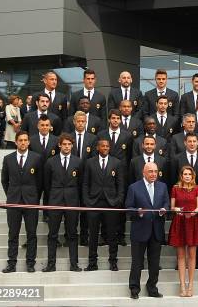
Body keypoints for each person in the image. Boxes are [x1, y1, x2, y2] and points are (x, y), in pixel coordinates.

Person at [0, 131, 43, 273]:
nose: (23, 142)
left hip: (31, 201)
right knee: (13, 234)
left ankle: (30, 263)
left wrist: (34, 197)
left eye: (25, 140)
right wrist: (11, 195)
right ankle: (11, 263)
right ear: (16, 142)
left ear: (29, 142)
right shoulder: (8, 159)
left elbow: (40, 181)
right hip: (13, 202)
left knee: (31, 233)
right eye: (20, 140)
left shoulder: (36, 158)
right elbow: (4, 180)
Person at [126, 162, 169, 299]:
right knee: (137, 262)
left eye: (156, 171)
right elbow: (128, 208)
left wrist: (164, 210)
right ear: (144, 172)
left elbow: (166, 203)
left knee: (154, 263)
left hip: (156, 230)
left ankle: (152, 288)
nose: (154, 174)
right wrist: (137, 212)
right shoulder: (134, 187)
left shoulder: (162, 186)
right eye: (150, 171)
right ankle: (134, 288)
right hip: (140, 230)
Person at [170, 132, 198, 270]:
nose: (192, 143)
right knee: (182, 234)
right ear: (185, 143)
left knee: (197, 233)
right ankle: (180, 262)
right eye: (189, 141)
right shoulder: (176, 158)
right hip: (181, 199)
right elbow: (172, 178)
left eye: (194, 141)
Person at [82, 139, 124, 272]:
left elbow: (121, 184)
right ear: (97, 147)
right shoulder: (89, 162)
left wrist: (118, 200)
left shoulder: (116, 162)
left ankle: (113, 261)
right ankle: (92, 262)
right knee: (93, 234)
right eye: (103, 146)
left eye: (107, 146)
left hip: (111, 204)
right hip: (93, 203)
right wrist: (87, 201)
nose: (105, 148)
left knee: (112, 235)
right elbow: (85, 183)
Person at [42, 133, 83, 272]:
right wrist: (53, 196)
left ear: (72, 145)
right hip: (55, 200)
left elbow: (81, 183)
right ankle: (51, 264)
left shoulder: (78, 162)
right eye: (64, 144)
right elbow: (46, 184)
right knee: (52, 234)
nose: (66, 147)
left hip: (72, 201)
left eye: (69, 144)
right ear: (59, 145)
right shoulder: (50, 162)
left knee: (72, 233)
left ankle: (74, 264)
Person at [168, 165, 198, 297]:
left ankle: (190, 285)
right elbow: (172, 206)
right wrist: (176, 209)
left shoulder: (197, 188)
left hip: (192, 222)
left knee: (192, 256)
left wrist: (192, 213)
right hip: (179, 222)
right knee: (180, 256)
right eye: (185, 174)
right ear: (181, 176)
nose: (187, 176)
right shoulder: (175, 188)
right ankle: (182, 286)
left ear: (193, 176)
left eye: (189, 174)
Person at [98, 109, 133, 246]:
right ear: (109, 119)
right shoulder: (102, 134)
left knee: (120, 205)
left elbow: (129, 156)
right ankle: (104, 234)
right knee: (104, 205)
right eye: (113, 118)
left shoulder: (127, 136)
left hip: (121, 175)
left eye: (118, 118)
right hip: (104, 174)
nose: (115, 120)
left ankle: (120, 235)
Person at [70, 111, 98, 246]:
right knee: (72, 209)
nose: (81, 124)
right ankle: (70, 235)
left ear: (86, 122)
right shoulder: (68, 137)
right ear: (74, 122)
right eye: (78, 121)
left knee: (86, 209)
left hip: (87, 179)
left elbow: (93, 159)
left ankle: (84, 236)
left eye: (83, 121)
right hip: (70, 179)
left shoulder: (92, 138)